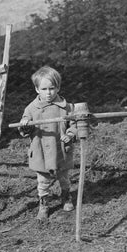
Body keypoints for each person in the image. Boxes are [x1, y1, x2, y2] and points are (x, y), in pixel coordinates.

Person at [19, 66, 77, 220]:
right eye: (44, 89)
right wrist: (25, 124)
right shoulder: (31, 108)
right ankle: (44, 204)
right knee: (43, 181)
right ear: (37, 89)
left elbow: (74, 125)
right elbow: (24, 130)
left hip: (60, 150)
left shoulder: (67, 108)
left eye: (52, 88)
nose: (48, 92)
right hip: (41, 151)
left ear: (58, 87)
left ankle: (66, 197)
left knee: (63, 178)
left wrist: (70, 135)